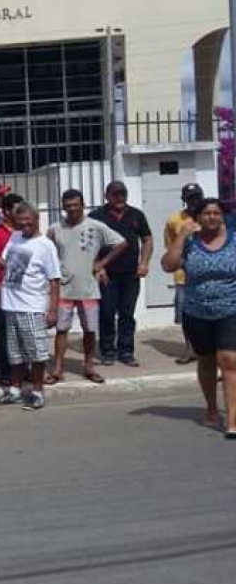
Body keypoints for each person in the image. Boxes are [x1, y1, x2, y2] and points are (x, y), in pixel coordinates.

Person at [161, 197, 236, 436]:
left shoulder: (234, 239)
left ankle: (233, 419)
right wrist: (181, 236)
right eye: (206, 213)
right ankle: (212, 407)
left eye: (216, 213)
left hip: (230, 309)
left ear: (222, 216)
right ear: (198, 218)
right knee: (206, 362)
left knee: (228, 360)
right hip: (196, 312)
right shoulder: (190, 241)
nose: (212, 217)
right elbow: (168, 265)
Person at [47, 189, 127, 385]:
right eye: (68, 206)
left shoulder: (96, 226)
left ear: (82, 205)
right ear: (63, 207)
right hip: (64, 287)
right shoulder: (55, 229)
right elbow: (47, 253)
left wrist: (102, 264)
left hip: (88, 288)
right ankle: (58, 368)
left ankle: (89, 366)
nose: (72, 209)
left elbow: (122, 243)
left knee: (90, 330)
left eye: (75, 205)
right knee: (61, 329)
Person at [0, 203, 61, 411]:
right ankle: (15, 390)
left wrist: (52, 310)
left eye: (28, 220)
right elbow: (6, 263)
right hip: (11, 305)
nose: (24, 224)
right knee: (15, 354)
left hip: (32, 306)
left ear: (36, 220)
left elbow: (54, 280)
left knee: (36, 354)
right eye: (20, 221)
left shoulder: (45, 245)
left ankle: (37, 392)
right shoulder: (14, 237)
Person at [89, 180, 153, 367]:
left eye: (122, 194)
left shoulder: (136, 215)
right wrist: (97, 267)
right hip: (107, 275)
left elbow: (147, 239)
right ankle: (107, 350)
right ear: (107, 196)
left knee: (127, 314)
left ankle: (126, 351)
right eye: (115, 194)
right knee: (107, 312)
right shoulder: (96, 216)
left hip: (130, 274)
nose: (119, 198)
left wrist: (144, 263)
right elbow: (88, 245)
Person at [0, 192, 24, 386]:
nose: (21, 213)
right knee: (5, 335)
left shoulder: (27, 232)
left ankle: (23, 370)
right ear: (7, 211)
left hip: (25, 293)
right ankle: (6, 373)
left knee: (24, 333)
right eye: (17, 210)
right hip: (3, 291)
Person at [164, 182, 206, 364]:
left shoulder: (210, 216)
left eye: (197, 197)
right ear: (184, 200)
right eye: (190, 198)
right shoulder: (174, 221)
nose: (194, 201)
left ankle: (209, 349)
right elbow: (170, 246)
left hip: (208, 273)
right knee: (186, 313)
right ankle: (190, 349)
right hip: (184, 274)